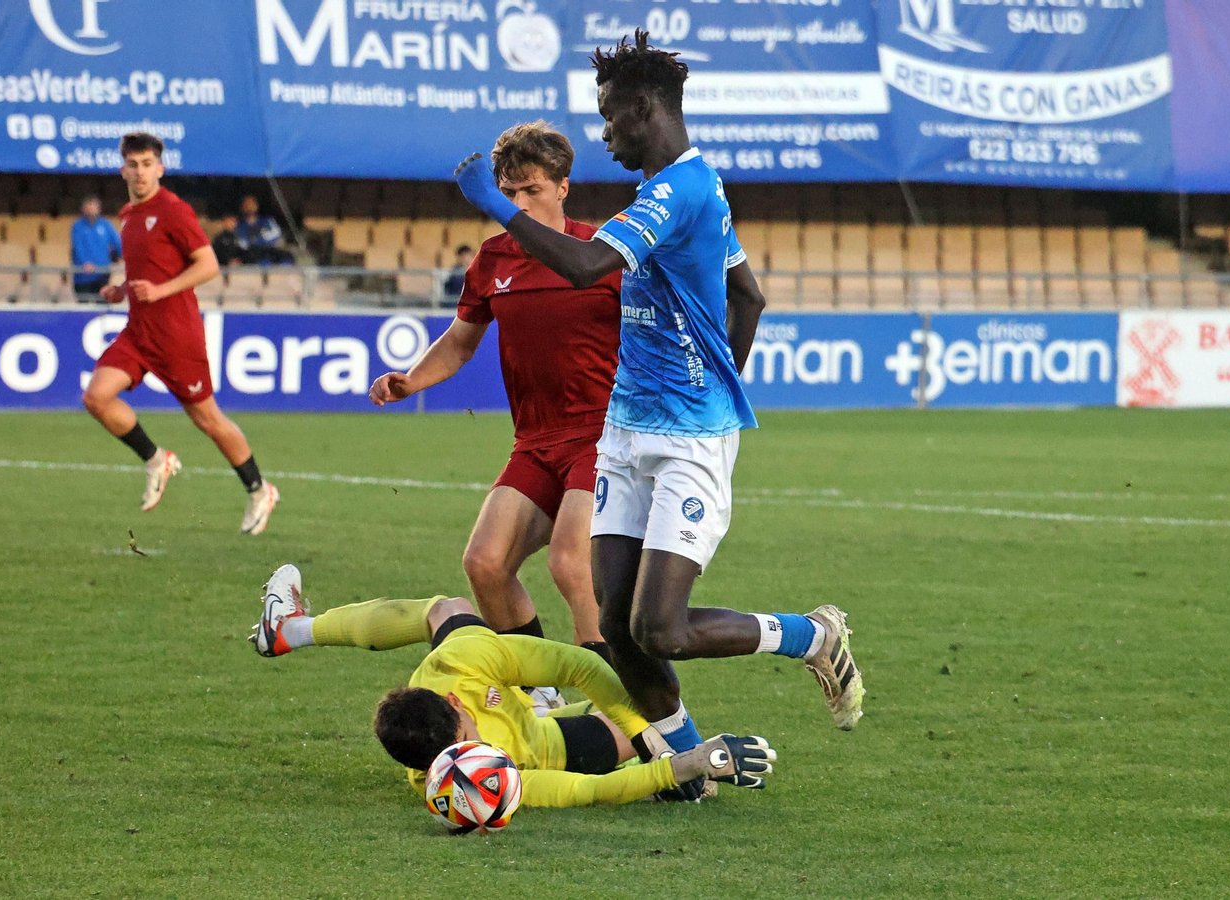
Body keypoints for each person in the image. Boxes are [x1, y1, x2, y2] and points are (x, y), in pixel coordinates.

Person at [452, 32, 863, 767]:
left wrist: (493, 202)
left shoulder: (680, 190)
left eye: (610, 117)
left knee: (662, 629)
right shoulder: (681, 189)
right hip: (625, 433)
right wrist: (716, 375)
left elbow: (584, 265)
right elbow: (750, 295)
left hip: (685, 443)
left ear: (644, 108)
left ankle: (813, 635)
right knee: (616, 629)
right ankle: (685, 766)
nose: (604, 133)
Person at [370, 122, 621, 681]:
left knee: (570, 563)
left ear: (562, 187)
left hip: (602, 438)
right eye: (508, 192)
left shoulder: (603, 253)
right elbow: (460, 344)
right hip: (534, 444)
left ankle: (624, 714)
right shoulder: (492, 259)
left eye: (531, 190)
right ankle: (538, 695)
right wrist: (411, 380)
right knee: (484, 564)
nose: (519, 203)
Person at [249, 564, 776, 807]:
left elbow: (581, 667)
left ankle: (291, 630)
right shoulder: (475, 782)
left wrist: (650, 738)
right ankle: (562, 715)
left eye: (467, 736)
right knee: (625, 731)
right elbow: (588, 790)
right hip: (541, 748)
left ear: (453, 700)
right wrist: (681, 765)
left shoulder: (462, 661)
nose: (473, 749)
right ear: (423, 771)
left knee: (447, 610)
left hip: (498, 681)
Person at [82, 132, 279, 534]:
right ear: (123, 169)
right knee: (96, 397)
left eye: (147, 163)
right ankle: (157, 460)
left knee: (207, 419)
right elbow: (146, 269)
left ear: (160, 167)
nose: (140, 172)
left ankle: (260, 490)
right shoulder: (127, 215)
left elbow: (208, 266)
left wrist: (159, 291)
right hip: (138, 332)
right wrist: (122, 289)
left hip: (176, 335)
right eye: (133, 165)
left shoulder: (173, 210)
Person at [71, 195, 122, 302]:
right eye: (88, 207)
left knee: (102, 304)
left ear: (98, 208)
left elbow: (117, 242)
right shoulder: (77, 226)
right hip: (83, 276)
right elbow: (77, 246)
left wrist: (122, 255)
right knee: (83, 308)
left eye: (93, 207)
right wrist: (85, 263)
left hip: (102, 274)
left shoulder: (106, 225)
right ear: (83, 209)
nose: (91, 210)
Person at [233, 196, 293, 265]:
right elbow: (243, 243)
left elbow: (277, 235)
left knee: (287, 259)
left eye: (252, 204)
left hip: (270, 250)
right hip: (253, 255)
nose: (249, 207)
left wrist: (260, 239)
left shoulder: (268, 221)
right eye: (246, 204)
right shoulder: (239, 226)